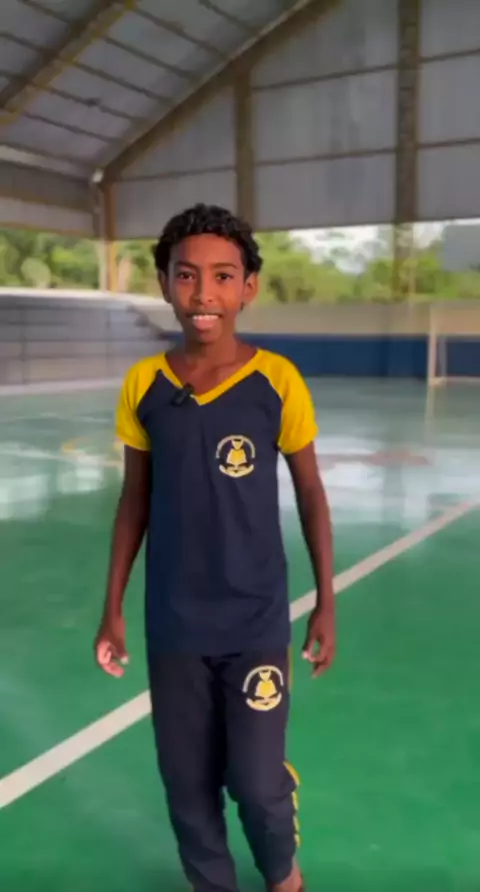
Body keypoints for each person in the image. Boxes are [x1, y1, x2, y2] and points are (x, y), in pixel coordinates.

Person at [95, 203, 335, 892]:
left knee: (255, 781)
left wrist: (325, 601)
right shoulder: (144, 385)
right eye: (187, 275)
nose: (204, 293)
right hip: (174, 623)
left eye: (223, 276)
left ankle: (282, 874)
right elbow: (134, 501)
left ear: (248, 286)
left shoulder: (277, 381)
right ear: (164, 283)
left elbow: (312, 494)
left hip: (254, 620)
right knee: (187, 782)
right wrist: (112, 607)